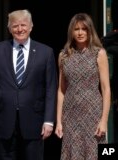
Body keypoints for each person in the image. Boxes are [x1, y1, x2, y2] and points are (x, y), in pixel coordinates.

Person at [0, 9, 57, 160]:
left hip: (34, 120)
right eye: (15, 26)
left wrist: (49, 121)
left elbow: (51, 88)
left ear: (31, 26)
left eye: (23, 25)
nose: (19, 29)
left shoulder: (46, 52)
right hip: (5, 119)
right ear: (9, 28)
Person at [55, 13, 111, 159]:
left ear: (90, 31)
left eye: (84, 29)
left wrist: (104, 121)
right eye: (76, 29)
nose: (80, 33)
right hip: (70, 115)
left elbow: (106, 89)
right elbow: (61, 90)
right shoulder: (64, 55)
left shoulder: (99, 53)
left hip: (93, 114)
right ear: (71, 32)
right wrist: (59, 121)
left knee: (95, 153)